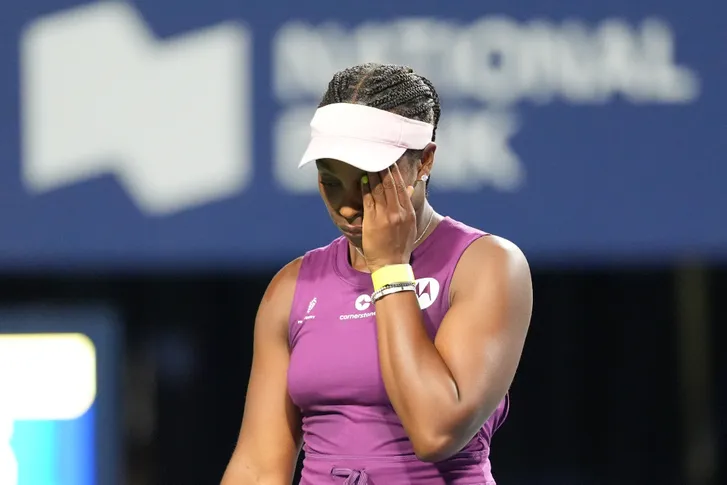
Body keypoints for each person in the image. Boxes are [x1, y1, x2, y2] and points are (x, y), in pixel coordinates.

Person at [221, 62, 533, 485]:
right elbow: (258, 467)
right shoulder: (292, 287)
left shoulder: (488, 265)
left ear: (424, 161)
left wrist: (389, 269)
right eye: (331, 182)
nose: (348, 206)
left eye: (369, 183)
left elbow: (436, 430)